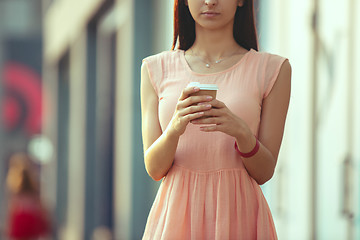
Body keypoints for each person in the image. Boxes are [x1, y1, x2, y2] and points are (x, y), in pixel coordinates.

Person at [140, 0, 291, 239]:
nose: (210, 1)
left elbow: (264, 172)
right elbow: (155, 169)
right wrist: (175, 128)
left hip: (239, 217)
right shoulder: (155, 69)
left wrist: (242, 133)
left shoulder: (273, 69)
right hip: (175, 221)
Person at [5, 153, 52, 240]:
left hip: (20, 221)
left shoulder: (16, 189)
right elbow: (41, 207)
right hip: (32, 221)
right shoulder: (34, 188)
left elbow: (13, 208)